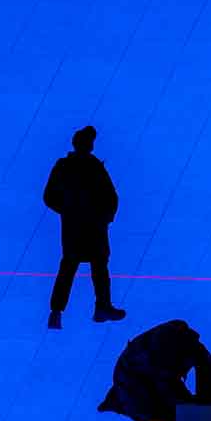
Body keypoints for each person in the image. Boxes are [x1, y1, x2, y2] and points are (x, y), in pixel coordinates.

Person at [43, 126, 126, 328]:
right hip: (90, 226)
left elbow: (49, 197)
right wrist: (102, 216)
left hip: (82, 226)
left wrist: (70, 211)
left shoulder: (70, 166)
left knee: (74, 266)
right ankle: (99, 307)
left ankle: (59, 312)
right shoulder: (90, 166)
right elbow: (111, 196)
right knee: (92, 266)